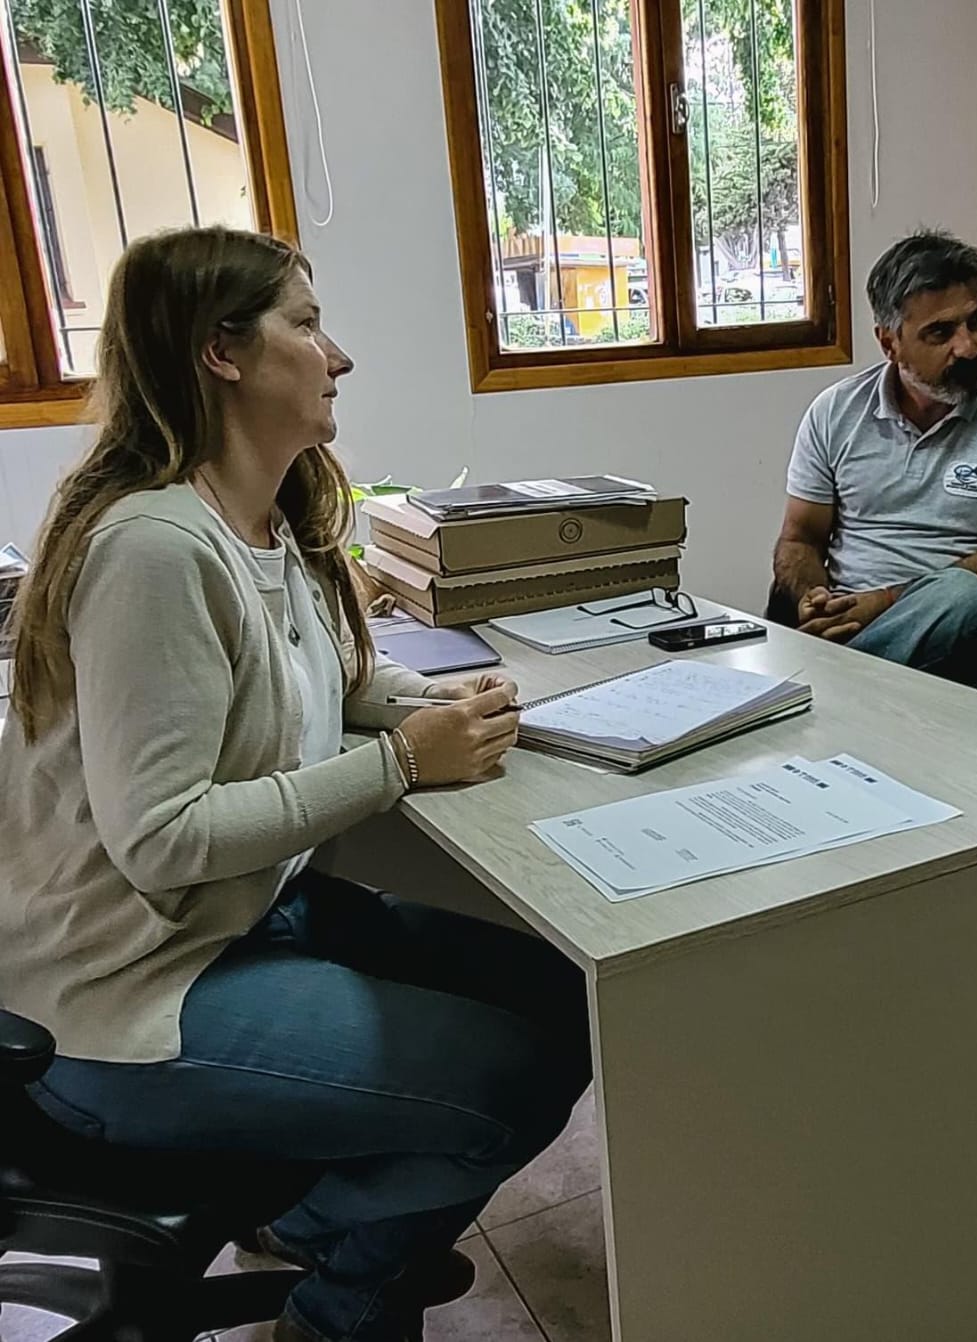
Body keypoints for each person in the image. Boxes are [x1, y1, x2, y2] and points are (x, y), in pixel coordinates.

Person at [0, 228, 593, 1342]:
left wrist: (443, 701)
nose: (340, 355)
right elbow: (165, 837)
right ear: (223, 352)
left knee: (560, 994)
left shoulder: (264, 519)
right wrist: (405, 762)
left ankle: (328, 1221)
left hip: (236, 922)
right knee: (505, 1083)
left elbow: (333, 675)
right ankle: (339, 1287)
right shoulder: (156, 549)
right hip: (121, 991)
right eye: (307, 324)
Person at [772, 230, 977, 696]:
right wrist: (815, 600)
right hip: (851, 625)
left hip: (969, 640)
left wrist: (884, 603)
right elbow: (798, 539)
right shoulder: (835, 412)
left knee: (967, 601)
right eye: (940, 333)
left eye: (976, 321)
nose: (969, 347)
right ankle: (837, 678)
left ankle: (827, 683)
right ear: (889, 343)